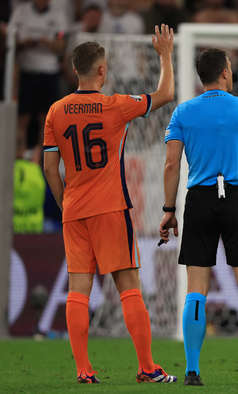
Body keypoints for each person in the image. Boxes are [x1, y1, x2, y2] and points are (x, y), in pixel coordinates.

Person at [43, 25, 176, 384]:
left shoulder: (55, 111)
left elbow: (49, 168)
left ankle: (83, 370)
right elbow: (166, 93)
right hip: (110, 209)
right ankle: (147, 368)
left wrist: (65, 203)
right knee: (129, 284)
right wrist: (165, 54)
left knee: (78, 290)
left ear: (75, 69)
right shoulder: (115, 106)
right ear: (102, 70)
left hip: (74, 211)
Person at [158, 48, 238, 387]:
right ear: (226, 73)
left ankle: (192, 372)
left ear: (202, 76)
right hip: (237, 198)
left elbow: (171, 165)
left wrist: (169, 210)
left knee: (195, 290)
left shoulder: (183, 112)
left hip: (198, 200)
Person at [9, 0, 68, 163]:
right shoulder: (21, 12)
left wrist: (45, 42)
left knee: (46, 119)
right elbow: (10, 42)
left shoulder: (58, 15)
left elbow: (60, 45)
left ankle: (43, 159)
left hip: (49, 71)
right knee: (23, 117)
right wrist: (25, 43)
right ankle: (19, 156)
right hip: (26, 70)